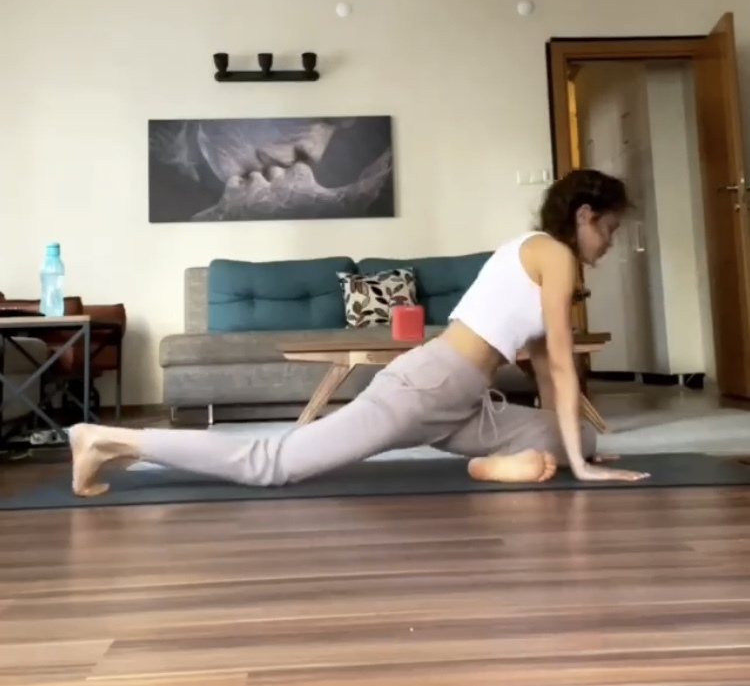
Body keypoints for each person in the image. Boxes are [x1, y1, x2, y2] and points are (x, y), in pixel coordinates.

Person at [69, 168, 649, 496]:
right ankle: (108, 441)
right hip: (423, 390)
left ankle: (490, 464)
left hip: (462, 403)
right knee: (273, 463)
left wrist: (577, 452)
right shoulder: (555, 255)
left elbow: (549, 370)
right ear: (584, 216)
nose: (610, 243)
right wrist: (582, 470)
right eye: (610, 229)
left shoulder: (531, 253)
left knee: (580, 436)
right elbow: (566, 365)